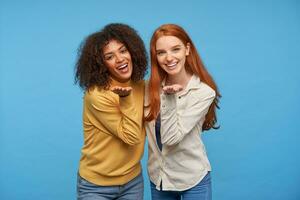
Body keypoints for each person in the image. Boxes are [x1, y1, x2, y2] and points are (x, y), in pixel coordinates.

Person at [144, 24, 221, 200]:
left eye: (175, 49)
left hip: (193, 180)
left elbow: (171, 139)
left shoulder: (204, 92)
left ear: (187, 49)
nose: (169, 57)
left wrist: (170, 98)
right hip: (159, 178)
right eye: (161, 52)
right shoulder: (148, 89)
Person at [75, 23, 148, 200]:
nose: (120, 59)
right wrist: (126, 99)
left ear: (132, 51)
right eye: (110, 56)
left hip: (132, 181)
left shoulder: (141, 85)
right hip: (95, 186)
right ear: (102, 64)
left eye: (123, 51)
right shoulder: (97, 95)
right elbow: (131, 136)